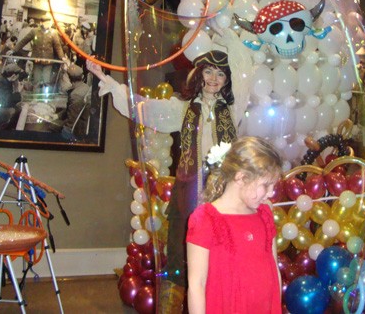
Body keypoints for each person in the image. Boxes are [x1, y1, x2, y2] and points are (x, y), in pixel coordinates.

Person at [86, 31, 252, 312]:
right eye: (208, 71)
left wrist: (226, 31)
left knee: (223, 252)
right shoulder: (183, 109)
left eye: (220, 74)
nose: (213, 78)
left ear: (227, 80)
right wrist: (107, 80)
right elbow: (144, 107)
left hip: (226, 193)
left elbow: (243, 66)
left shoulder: (233, 109)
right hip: (189, 192)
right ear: (199, 75)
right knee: (181, 252)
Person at [186, 136, 283, 314]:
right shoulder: (205, 218)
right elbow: (196, 285)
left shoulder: (264, 214)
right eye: (266, 185)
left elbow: (273, 268)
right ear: (241, 178)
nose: (271, 193)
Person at [8, 16, 69, 90]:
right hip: (37, 61)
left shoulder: (53, 33)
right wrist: (14, 50)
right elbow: (23, 41)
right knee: (36, 81)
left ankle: (45, 95)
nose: (48, 25)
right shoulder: (34, 31)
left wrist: (62, 57)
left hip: (48, 61)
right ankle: (35, 94)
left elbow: (57, 46)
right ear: (41, 23)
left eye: (48, 23)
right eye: (46, 23)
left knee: (46, 81)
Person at [61, 64, 91, 140]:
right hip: (82, 126)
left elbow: (70, 122)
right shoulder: (86, 87)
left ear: (68, 78)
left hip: (76, 131)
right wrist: (58, 115)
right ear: (82, 77)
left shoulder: (75, 95)